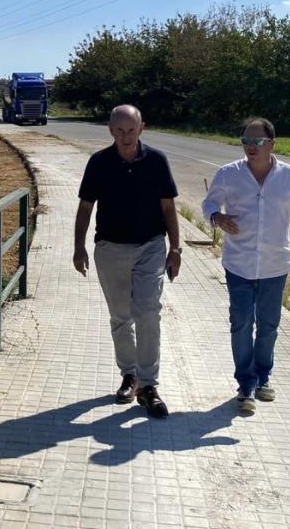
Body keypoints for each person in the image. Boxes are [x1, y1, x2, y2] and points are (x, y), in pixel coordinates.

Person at [74, 104, 182, 418]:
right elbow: (85, 208)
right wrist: (78, 247)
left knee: (147, 310)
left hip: (150, 246)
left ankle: (148, 386)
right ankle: (129, 374)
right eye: (119, 130)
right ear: (110, 130)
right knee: (121, 316)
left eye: (131, 130)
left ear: (141, 128)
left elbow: (168, 209)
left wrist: (175, 249)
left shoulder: (157, 161)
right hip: (110, 248)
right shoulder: (99, 163)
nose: (125, 136)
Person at [202, 117, 290, 415]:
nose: (251, 147)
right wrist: (217, 218)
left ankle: (264, 376)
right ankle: (245, 384)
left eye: (258, 141)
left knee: (268, 326)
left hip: (274, 265)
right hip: (238, 263)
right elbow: (209, 204)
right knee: (241, 323)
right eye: (246, 142)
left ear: (272, 144)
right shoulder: (229, 174)